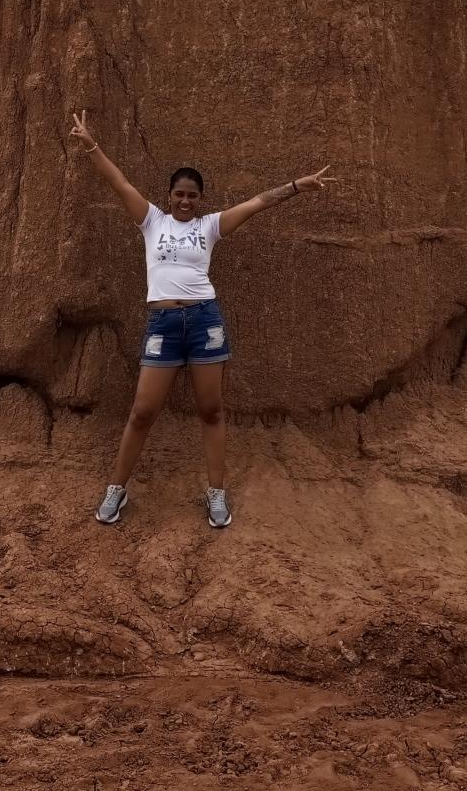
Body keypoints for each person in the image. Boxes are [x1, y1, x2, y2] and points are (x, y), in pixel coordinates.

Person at [69, 109, 336, 529]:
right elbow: (119, 182)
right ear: (169, 195)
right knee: (142, 412)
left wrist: (296, 186)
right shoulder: (151, 220)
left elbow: (257, 203)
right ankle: (116, 488)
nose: (185, 201)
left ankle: (216, 493)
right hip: (163, 325)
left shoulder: (210, 226)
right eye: (179, 194)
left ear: (200, 199)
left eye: (192, 195)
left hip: (204, 322)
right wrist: (91, 146)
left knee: (211, 410)